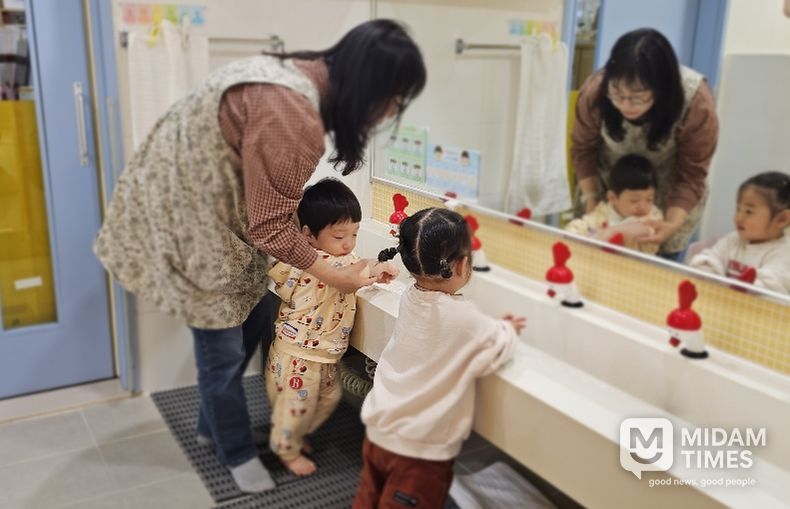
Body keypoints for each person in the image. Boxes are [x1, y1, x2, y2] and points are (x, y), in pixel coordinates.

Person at [93, 19, 425, 493]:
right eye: (392, 100)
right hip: (192, 225)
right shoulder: (292, 112)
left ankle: (213, 428)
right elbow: (270, 225)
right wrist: (336, 273)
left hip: (217, 216)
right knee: (222, 351)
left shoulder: (299, 79)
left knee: (247, 327)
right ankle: (234, 451)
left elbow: (267, 213)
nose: (391, 113)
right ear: (368, 86)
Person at [352, 208, 526, 509]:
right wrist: (509, 329)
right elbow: (497, 347)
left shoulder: (410, 296)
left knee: (368, 497)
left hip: (381, 431)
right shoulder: (462, 316)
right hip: (420, 451)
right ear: (462, 264)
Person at [265, 179, 396, 476]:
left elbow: (355, 267)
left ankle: (294, 434)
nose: (348, 243)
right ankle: (286, 450)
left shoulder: (340, 257)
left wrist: (377, 270)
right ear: (308, 235)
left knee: (326, 399)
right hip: (298, 355)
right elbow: (346, 271)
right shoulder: (309, 262)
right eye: (339, 236)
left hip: (323, 353)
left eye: (354, 233)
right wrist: (372, 269)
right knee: (295, 407)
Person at [571, 28, 719, 260]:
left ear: (662, 88)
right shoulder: (596, 92)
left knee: (650, 270)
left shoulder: (695, 101)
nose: (625, 104)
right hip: (609, 193)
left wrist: (670, 224)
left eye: (638, 97)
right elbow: (583, 149)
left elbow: (692, 174)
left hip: (668, 200)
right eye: (617, 94)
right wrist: (593, 207)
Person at [689, 171, 790, 294]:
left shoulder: (785, 253)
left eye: (749, 212)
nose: (739, 217)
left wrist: (749, 286)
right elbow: (712, 257)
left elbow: (773, 285)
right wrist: (706, 269)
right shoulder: (733, 240)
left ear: (782, 219)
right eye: (738, 209)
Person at [565, 154, 663, 253]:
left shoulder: (652, 215)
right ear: (613, 198)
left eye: (649, 200)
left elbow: (644, 229)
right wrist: (574, 233)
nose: (642, 206)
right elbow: (585, 223)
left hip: (636, 262)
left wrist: (612, 231)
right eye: (634, 200)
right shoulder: (603, 211)